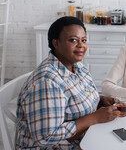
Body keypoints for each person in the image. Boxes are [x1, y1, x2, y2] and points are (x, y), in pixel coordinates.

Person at [16, 17, 119, 149]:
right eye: (73, 40)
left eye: (84, 40)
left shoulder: (78, 67)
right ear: (56, 43)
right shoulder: (47, 82)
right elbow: (46, 138)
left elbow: (73, 100)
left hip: (84, 139)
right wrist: (94, 118)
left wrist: (99, 100)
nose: (81, 45)